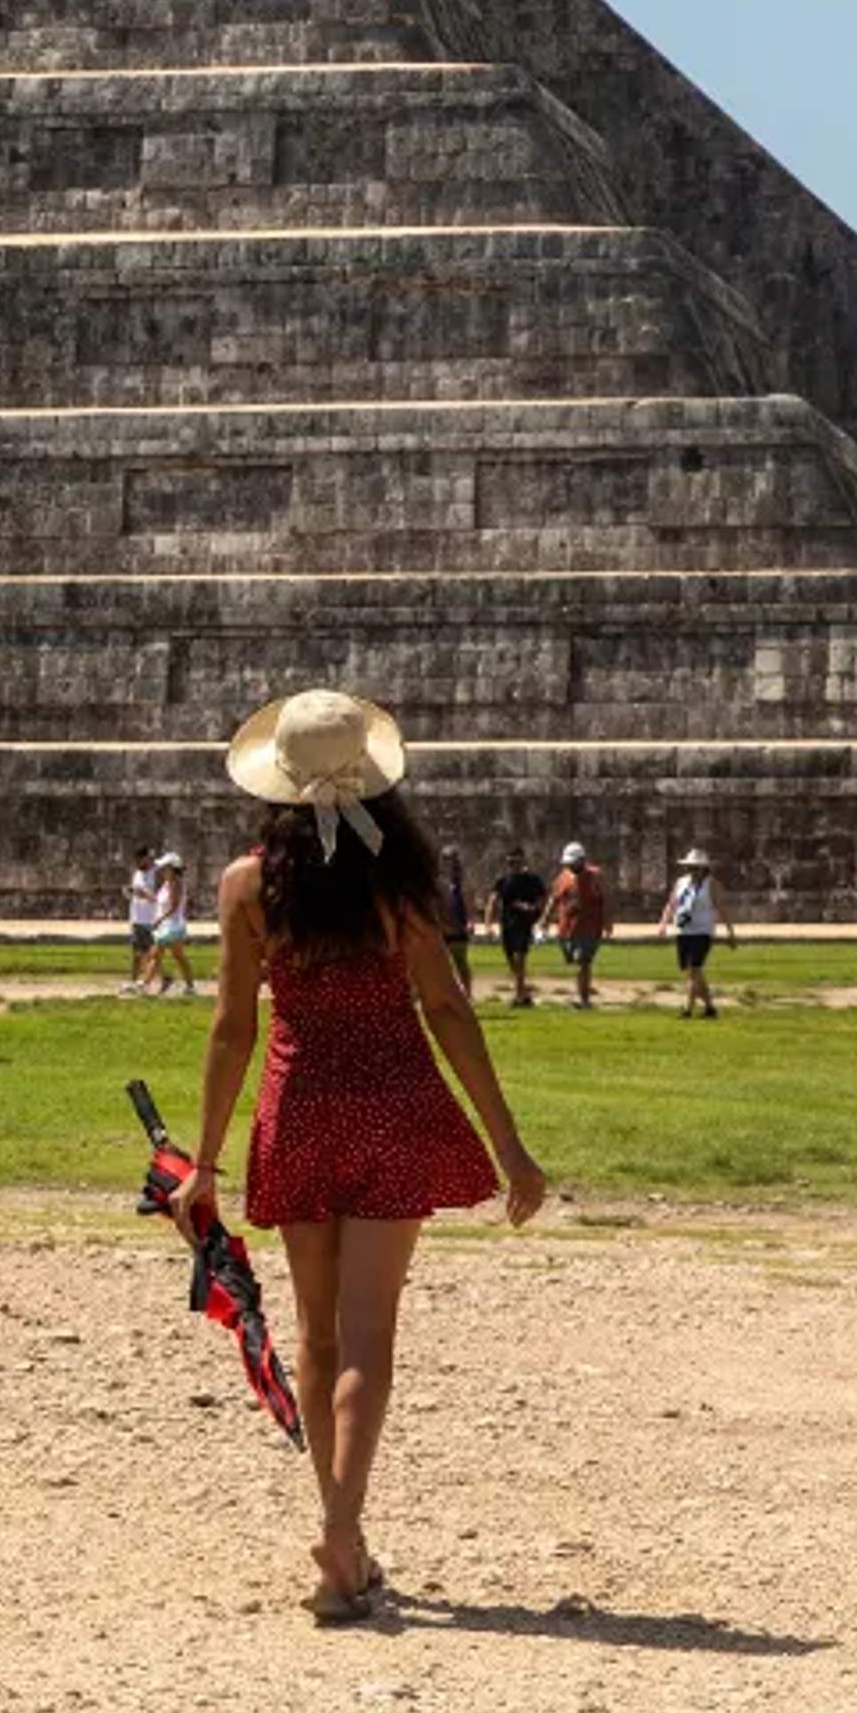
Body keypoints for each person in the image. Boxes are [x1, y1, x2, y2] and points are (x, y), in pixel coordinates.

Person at [176, 690, 545, 1625]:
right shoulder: (398, 882)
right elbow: (448, 1010)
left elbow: (231, 1030)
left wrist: (205, 1162)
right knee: (370, 1334)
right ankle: (343, 1537)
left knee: (316, 1332)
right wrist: (508, 1145)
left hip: (298, 1109)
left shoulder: (248, 886)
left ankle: (342, 1533)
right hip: (393, 1102)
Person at [660, 846, 731, 1020]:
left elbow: (722, 909)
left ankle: (687, 1009)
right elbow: (671, 904)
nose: (693, 871)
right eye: (690, 867)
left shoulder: (712, 885)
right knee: (693, 971)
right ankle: (710, 1008)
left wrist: (731, 932)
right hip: (684, 930)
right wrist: (663, 923)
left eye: (696, 867)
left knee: (695, 969)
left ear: (704, 868)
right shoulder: (681, 882)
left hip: (703, 931)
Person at [542, 842, 611, 1010]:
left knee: (583, 962)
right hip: (567, 928)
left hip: (589, 927)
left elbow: (605, 900)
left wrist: (607, 921)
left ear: (582, 860)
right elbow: (554, 898)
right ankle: (582, 994)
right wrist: (545, 918)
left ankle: (584, 999)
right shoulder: (563, 877)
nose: (571, 865)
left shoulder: (595, 876)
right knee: (573, 961)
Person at [488, 855, 546, 1007]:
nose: (513, 865)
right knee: (511, 960)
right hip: (507, 924)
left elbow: (542, 899)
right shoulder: (503, 881)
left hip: (524, 924)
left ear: (522, 862)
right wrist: (488, 924)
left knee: (520, 957)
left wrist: (534, 910)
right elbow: (493, 900)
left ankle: (519, 996)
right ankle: (524, 993)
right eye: (510, 862)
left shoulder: (532, 880)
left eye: (516, 862)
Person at [147, 851, 199, 997]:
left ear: (172, 868)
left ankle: (145, 985)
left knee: (155, 955)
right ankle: (190, 986)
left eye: (165, 867)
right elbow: (161, 902)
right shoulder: (167, 883)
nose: (162, 870)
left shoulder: (176, 883)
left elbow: (174, 906)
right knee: (177, 957)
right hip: (169, 926)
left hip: (172, 926)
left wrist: (159, 919)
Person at [122, 848, 167, 995]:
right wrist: (130, 893)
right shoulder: (137, 873)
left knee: (151, 954)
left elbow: (160, 898)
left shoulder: (157, 874)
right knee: (136, 953)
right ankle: (134, 981)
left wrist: (144, 894)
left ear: (147, 858)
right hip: (137, 917)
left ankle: (164, 978)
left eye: (140, 859)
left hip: (151, 919)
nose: (137, 863)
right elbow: (136, 892)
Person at [436, 846, 478, 992]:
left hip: (458, 927)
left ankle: (467, 994)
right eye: (445, 859)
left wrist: (471, 922)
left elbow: (469, 904)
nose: (448, 863)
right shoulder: (438, 882)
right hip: (441, 927)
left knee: (460, 961)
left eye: (451, 859)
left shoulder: (462, 882)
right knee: (440, 964)